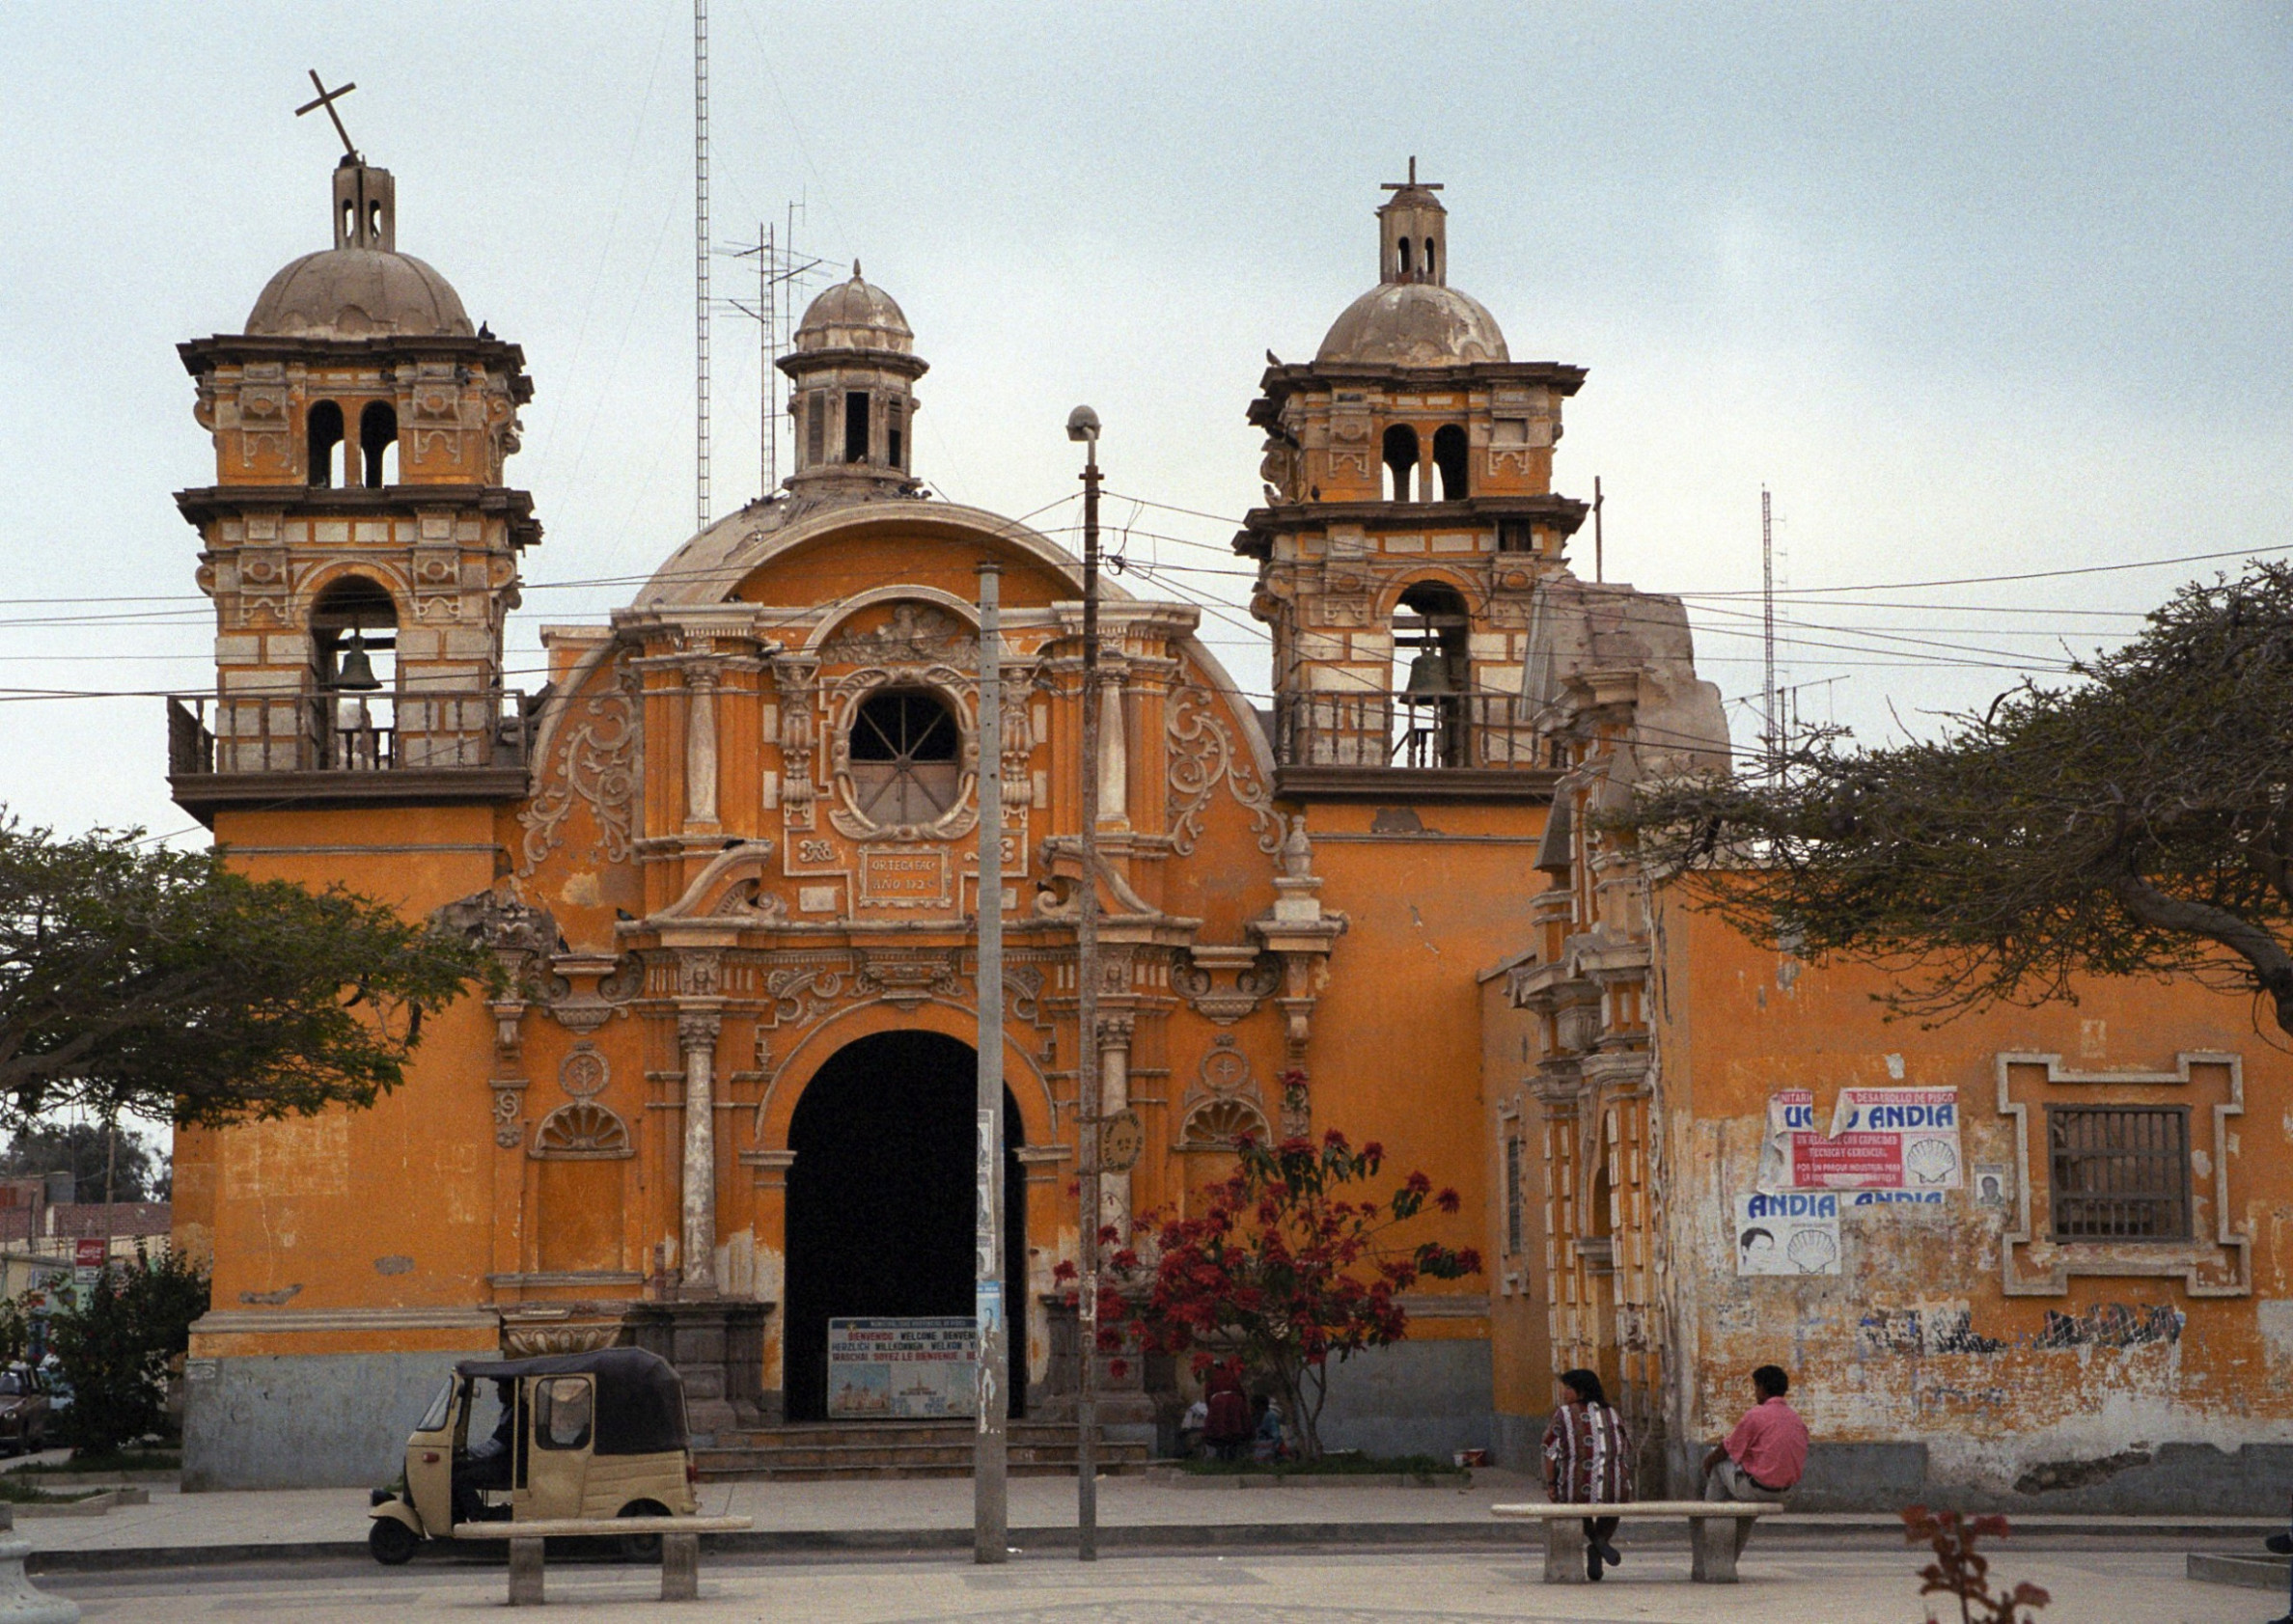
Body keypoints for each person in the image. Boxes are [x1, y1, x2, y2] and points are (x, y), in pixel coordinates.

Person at [1701, 1363, 1810, 1559]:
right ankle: (1728, 1559)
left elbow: (1727, 1449)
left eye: (1755, 1388)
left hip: (1757, 1490)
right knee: (1745, 1508)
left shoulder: (1756, 1415)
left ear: (1761, 1388)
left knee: (1717, 1465)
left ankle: (1709, 1519)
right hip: (1785, 1493)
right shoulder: (1796, 1419)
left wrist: (1708, 1463)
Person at [1543, 1367, 1634, 1582]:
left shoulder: (1564, 1414)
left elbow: (1550, 1452)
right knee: (1612, 1501)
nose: (1564, 1393)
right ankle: (1600, 1542)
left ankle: (1596, 1540)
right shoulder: (1612, 1412)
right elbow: (1627, 1447)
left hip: (1577, 1489)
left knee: (1574, 1499)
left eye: (1568, 1388)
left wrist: (1551, 1484)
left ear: (1581, 1391)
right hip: (1616, 1488)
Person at [454, 1379, 518, 1524]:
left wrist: (466, 1452)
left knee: (460, 1478)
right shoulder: (510, 1410)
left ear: (511, 1391)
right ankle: (457, 1517)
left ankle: (481, 1515)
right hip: (502, 1462)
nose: (497, 1391)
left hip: (507, 1467)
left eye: (501, 1387)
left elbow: (494, 1447)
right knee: (456, 1467)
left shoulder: (518, 1413)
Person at [1202, 1362, 1252, 1463]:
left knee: (1219, 1429)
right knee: (1235, 1428)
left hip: (1219, 1404)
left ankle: (1221, 1456)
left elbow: (1208, 1394)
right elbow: (1240, 1391)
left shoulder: (1211, 1376)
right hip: (1235, 1402)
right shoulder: (1231, 1375)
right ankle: (1233, 1455)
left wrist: (1211, 1408)